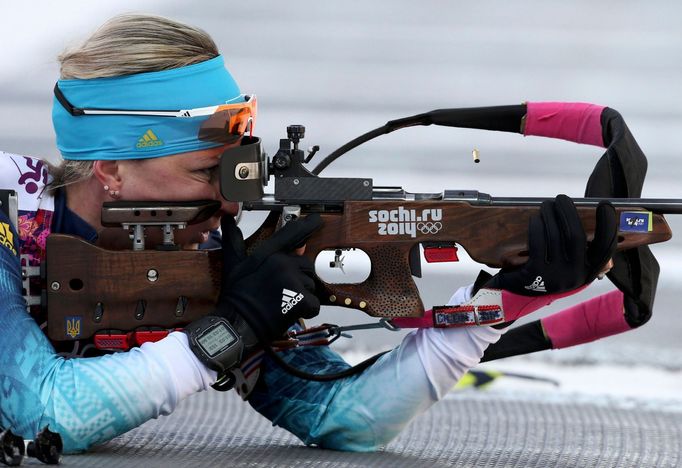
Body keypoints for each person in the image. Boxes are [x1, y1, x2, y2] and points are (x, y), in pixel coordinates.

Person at [0, 14, 620, 455]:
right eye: (202, 172)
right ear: (108, 168)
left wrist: (500, 302)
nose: (228, 198)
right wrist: (231, 331)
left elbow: (347, 419)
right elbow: (49, 417)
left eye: (237, 172)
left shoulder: (206, 243)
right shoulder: (7, 217)